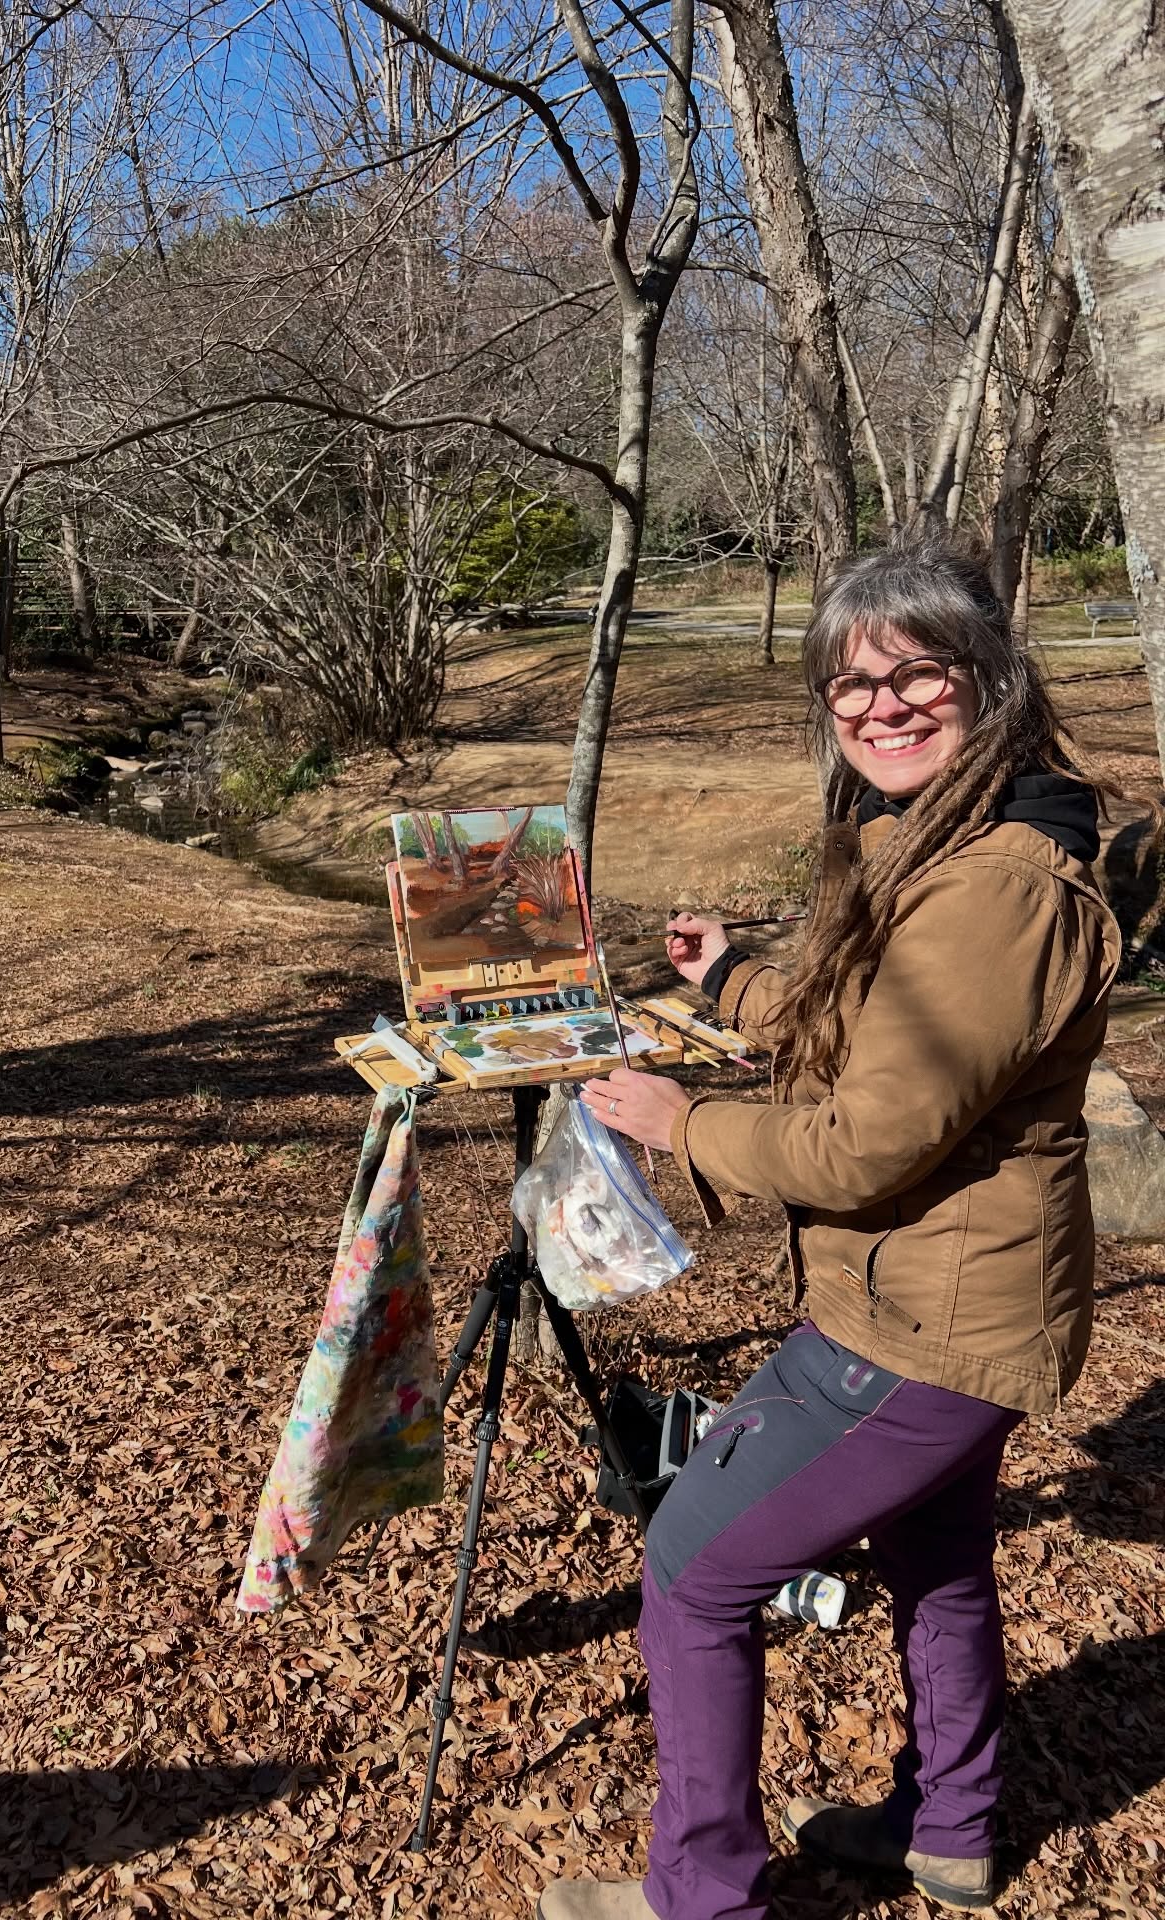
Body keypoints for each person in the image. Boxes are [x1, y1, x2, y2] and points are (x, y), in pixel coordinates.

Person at [541, 536, 1122, 1920]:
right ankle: (952, 1827)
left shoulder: (997, 886)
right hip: (936, 1298)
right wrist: (737, 983)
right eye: (849, 683)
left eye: (915, 672)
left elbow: (864, 1143)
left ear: (988, 677)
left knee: (691, 1570)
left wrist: (678, 1123)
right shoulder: (930, 836)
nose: (879, 704)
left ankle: (704, 1896)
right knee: (936, 1564)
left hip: (927, 1321)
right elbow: (882, 1036)